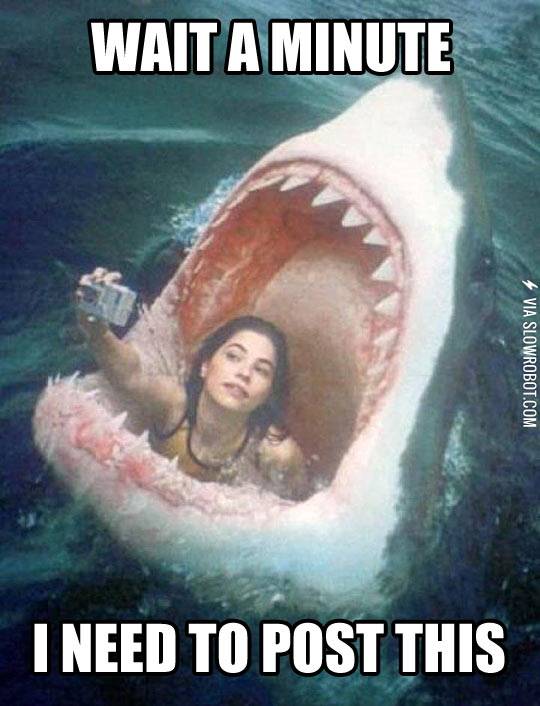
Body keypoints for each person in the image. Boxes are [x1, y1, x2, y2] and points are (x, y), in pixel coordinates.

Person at [76, 268, 308, 500]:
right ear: (205, 366)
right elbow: (131, 377)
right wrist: (96, 329)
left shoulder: (275, 452)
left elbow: (297, 508)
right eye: (234, 356)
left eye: (261, 370)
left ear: (269, 392)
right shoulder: (175, 406)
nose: (245, 373)